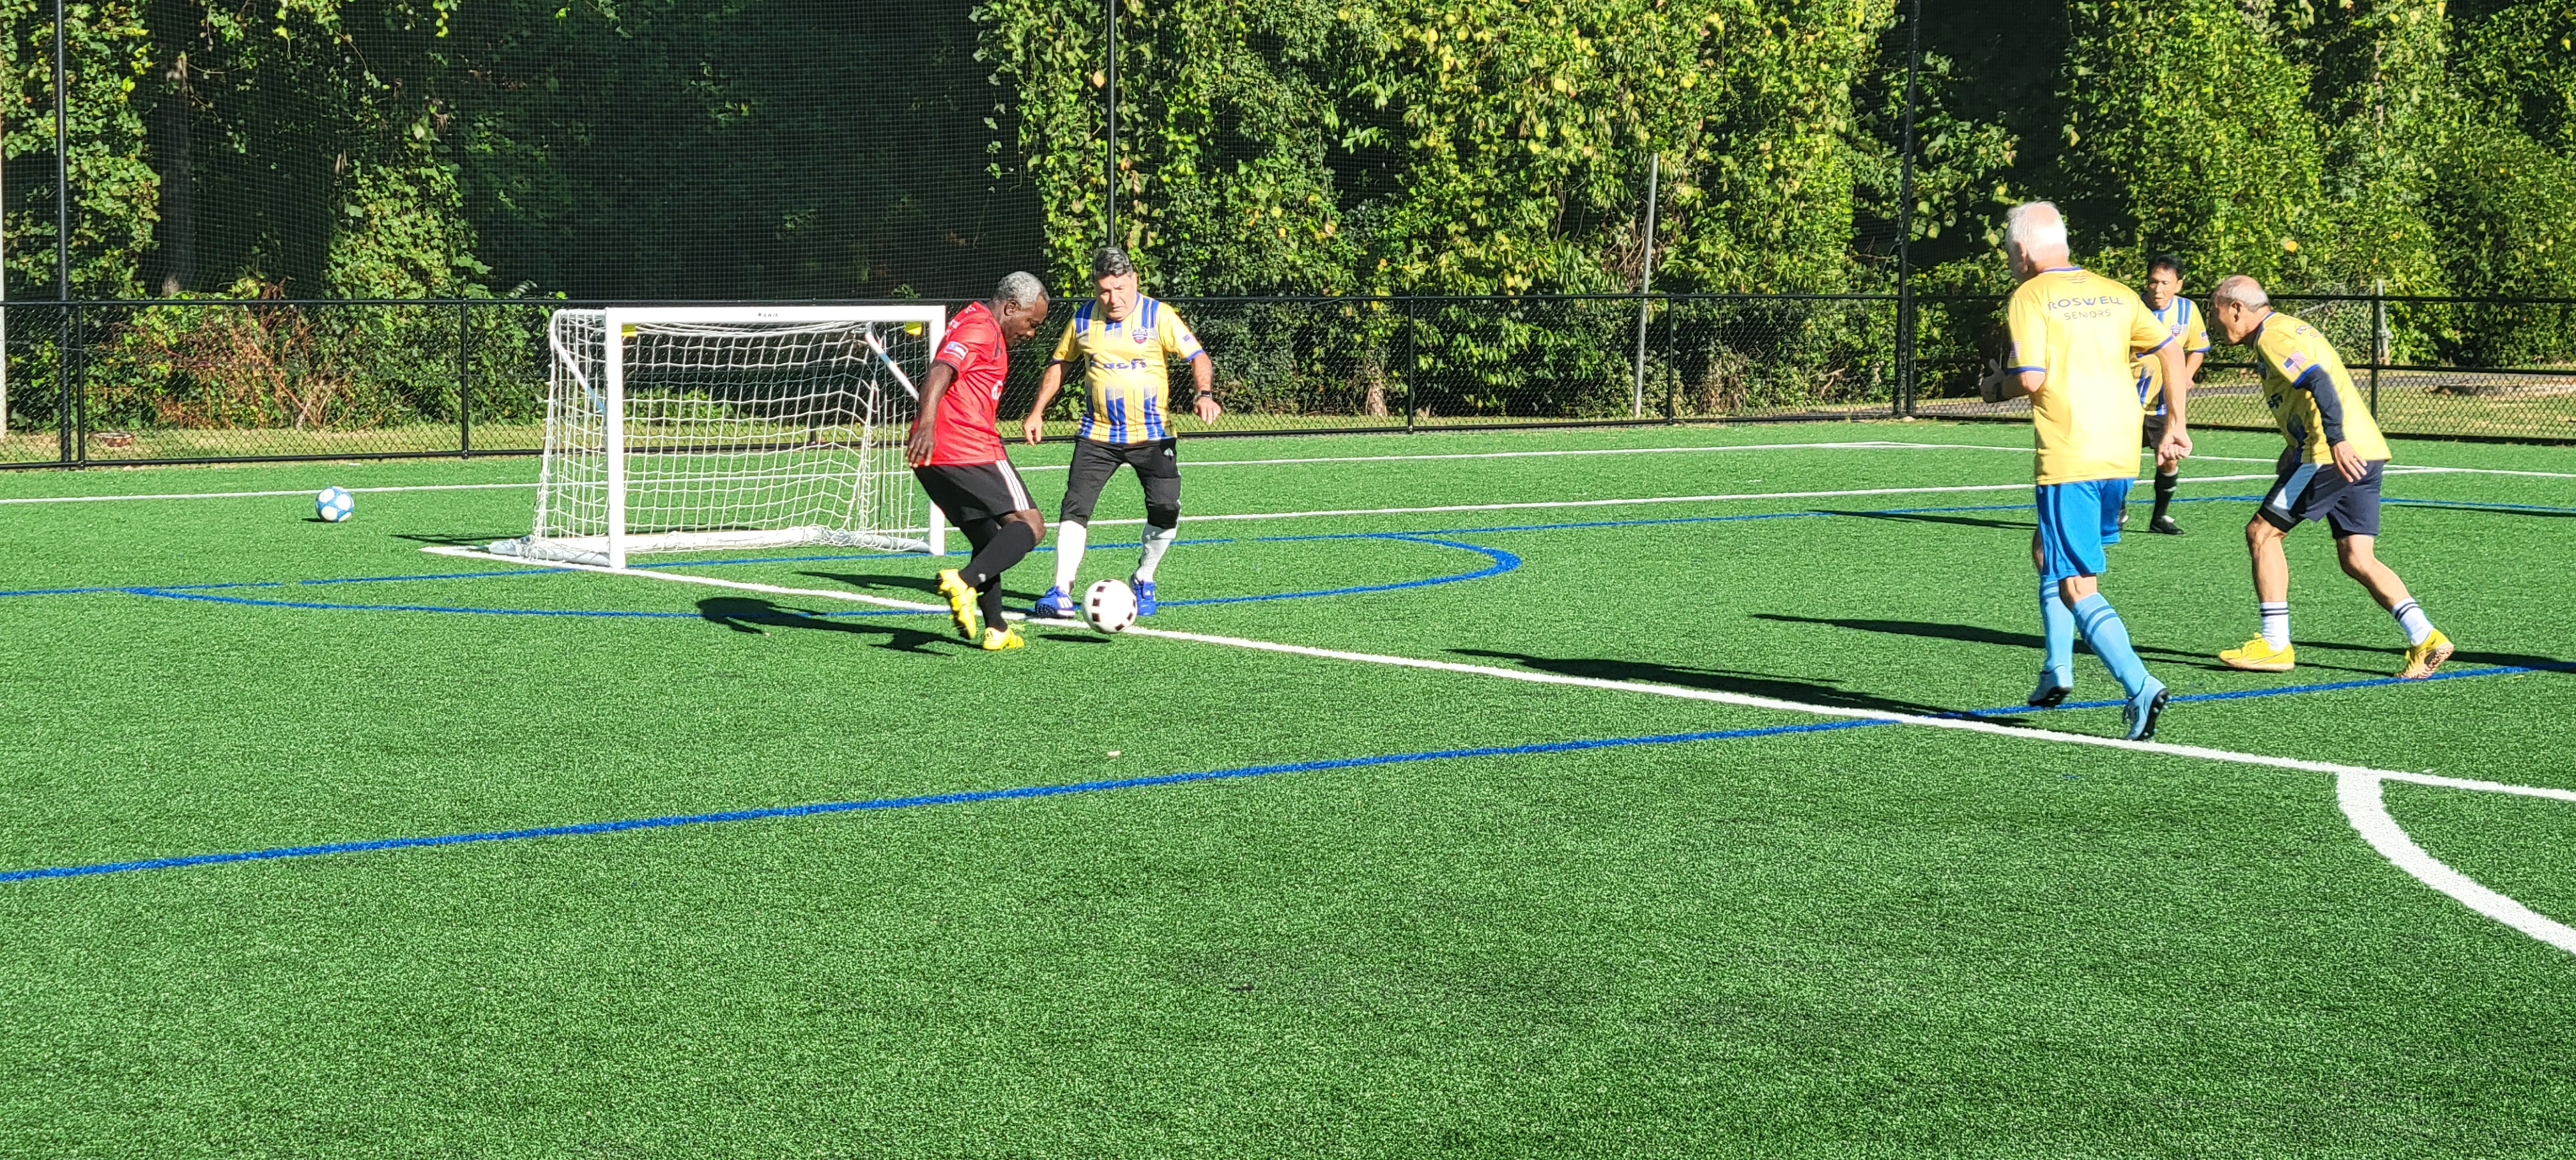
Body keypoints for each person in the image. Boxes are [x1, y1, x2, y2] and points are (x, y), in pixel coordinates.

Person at [1978, 202, 2191, 739]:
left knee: (2076, 583)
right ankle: (2057, 667)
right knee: (2046, 549)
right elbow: (2172, 351)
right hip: (2121, 454)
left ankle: (2141, 685)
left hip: (2071, 453)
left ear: (2022, 250)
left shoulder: (2030, 295)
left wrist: (1993, 388)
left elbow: (2030, 378)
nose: (2010, 262)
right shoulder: (2116, 292)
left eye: (2009, 252)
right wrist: (2175, 424)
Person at [2207, 275, 2453, 678]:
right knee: (2357, 557)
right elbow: (2308, 391)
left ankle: (2274, 644)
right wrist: (2295, 444)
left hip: (2331, 454)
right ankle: (2425, 636)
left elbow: (2318, 380)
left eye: (2215, 310)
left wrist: (2335, 440)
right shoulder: (2288, 328)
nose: (2213, 322)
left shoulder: (2272, 336)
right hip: (2366, 451)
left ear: (2236, 308)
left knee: (2262, 534)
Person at [1019, 247, 1221, 619]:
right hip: (1098, 435)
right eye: (1104, 291)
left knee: (1165, 508)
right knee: (1075, 506)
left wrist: (1204, 394)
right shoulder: (1083, 318)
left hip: (1154, 435)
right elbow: (1060, 364)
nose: (1113, 299)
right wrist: (1037, 412)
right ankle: (1061, 590)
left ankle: (1144, 577)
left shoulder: (1158, 315)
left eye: (1120, 289)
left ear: (1134, 281)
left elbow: (1198, 356)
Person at [908, 272, 1052, 650]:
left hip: (934, 457)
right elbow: (940, 369)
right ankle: (963, 581)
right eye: (1031, 323)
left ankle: (997, 628)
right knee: (1031, 526)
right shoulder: (982, 329)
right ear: (1011, 307)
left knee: (988, 538)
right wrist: (928, 423)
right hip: (966, 446)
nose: (1031, 333)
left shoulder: (975, 321)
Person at [2128, 254, 2208, 535]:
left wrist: (2185, 375)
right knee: (2121, 459)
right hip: (2128, 401)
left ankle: (2159, 518)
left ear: (2179, 285)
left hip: (2165, 405)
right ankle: (2116, 511)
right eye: (2153, 282)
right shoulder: (2132, 308)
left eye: (2165, 283)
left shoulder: (2188, 310)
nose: (2158, 289)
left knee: (2168, 459)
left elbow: (2198, 348)